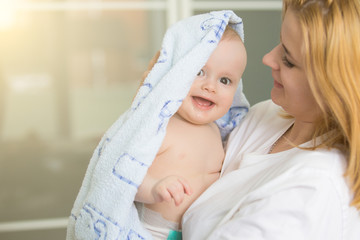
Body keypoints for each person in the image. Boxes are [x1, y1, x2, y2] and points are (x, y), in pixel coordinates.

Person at [143, 0, 360, 239]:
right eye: (280, 42)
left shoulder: (312, 190)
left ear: (333, 86)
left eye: (288, 60)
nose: (268, 58)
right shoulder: (266, 115)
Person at [134, 25, 247, 239]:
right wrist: (153, 188)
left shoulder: (218, 131)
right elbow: (125, 172)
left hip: (202, 231)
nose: (210, 86)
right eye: (199, 72)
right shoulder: (161, 126)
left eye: (225, 80)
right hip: (154, 231)